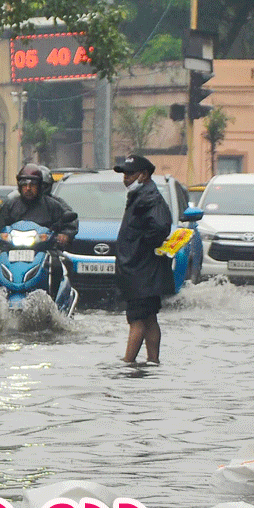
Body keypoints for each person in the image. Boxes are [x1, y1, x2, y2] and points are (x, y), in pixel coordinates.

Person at [0, 162, 78, 296]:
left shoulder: (52, 205)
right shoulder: (11, 205)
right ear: (19, 186)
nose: (28, 189)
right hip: (13, 250)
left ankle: (54, 300)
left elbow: (69, 222)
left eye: (32, 185)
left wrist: (65, 235)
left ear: (40, 186)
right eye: (24, 185)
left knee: (57, 266)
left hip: (43, 249)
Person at [114, 154, 173, 364]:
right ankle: (153, 362)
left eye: (131, 173)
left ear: (144, 174)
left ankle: (128, 363)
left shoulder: (149, 197)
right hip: (140, 270)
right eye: (124, 174)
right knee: (148, 317)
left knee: (137, 319)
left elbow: (159, 227)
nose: (126, 178)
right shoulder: (140, 196)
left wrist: (142, 248)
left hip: (141, 270)